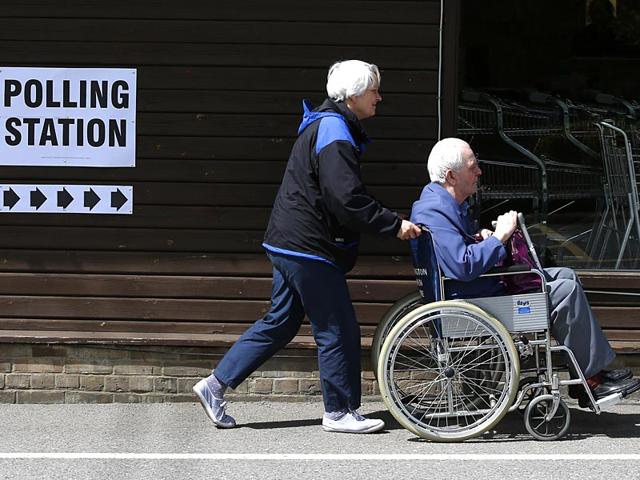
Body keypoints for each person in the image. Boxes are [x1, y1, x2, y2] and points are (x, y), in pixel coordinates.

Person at [192, 60, 422, 433]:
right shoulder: (334, 129)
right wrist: (394, 225)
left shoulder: (326, 124)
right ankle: (339, 411)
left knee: (281, 322)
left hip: (288, 241)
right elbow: (345, 197)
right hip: (309, 245)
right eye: (375, 90)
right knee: (338, 328)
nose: (380, 97)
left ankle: (215, 385)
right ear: (353, 95)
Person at [410, 137, 640, 406]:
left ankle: (589, 375)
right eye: (473, 167)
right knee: (563, 292)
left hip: (478, 289)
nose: (479, 172)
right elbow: (462, 266)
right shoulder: (435, 210)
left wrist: (480, 237)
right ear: (451, 175)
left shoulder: (443, 203)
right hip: (471, 299)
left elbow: (456, 252)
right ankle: (592, 379)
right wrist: (499, 238)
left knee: (566, 275)